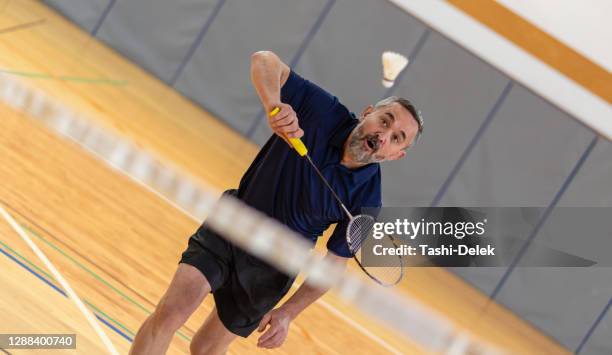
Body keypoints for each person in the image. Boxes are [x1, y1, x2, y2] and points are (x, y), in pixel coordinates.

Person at [129, 50, 423, 355]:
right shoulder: (322, 111)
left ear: (395, 155)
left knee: (206, 348)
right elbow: (264, 60)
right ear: (367, 112)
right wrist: (274, 105)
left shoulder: (367, 202)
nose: (384, 135)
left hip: (274, 266)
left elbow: (333, 267)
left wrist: (288, 313)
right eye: (384, 121)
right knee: (171, 314)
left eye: (397, 138)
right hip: (233, 224)